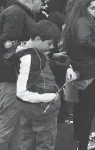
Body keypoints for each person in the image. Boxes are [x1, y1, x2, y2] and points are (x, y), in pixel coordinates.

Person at [0, 0, 49, 150]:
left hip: (13, 77)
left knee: (15, 125)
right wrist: (33, 47)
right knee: (6, 124)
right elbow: (8, 46)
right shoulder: (16, 13)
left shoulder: (18, 12)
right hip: (8, 78)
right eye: (41, 2)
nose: (43, 6)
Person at [14, 20, 76, 150]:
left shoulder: (34, 52)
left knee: (27, 142)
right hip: (42, 110)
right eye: (50, 43)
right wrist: (48, 97)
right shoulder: (30, 58)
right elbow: (21, 92)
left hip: (31, 111)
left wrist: (67, 68)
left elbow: (47, 63)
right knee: (44, 145)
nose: (52, 47)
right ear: (37, 39)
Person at [63, 0, 95, 150]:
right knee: (87, 110)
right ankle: (83, 143)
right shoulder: (83, 21)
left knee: (81, 107)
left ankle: (80, 137)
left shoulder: (77, 20)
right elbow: (84, 41)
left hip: (83, 68)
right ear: (84, 8)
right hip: (89, 70)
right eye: (93, 8)